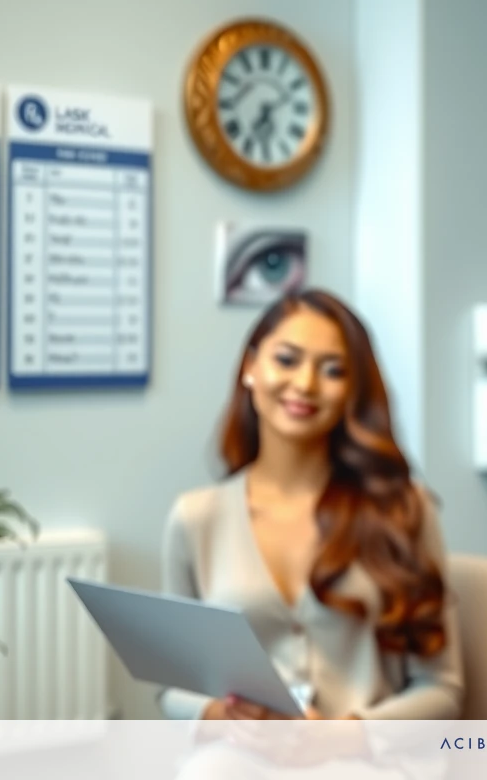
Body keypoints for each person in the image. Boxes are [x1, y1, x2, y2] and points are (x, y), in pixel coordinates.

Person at [158, 288, 464, 740]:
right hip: (244, 757)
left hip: (366, 763)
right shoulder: (195, 517)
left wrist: (342, 737)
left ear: (352, 392)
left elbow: (442, 690)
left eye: (333, 370)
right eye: (287, 360)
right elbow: (172, 687)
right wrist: (221, 715)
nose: (305, 384)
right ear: (250, 368)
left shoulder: (403, 509)